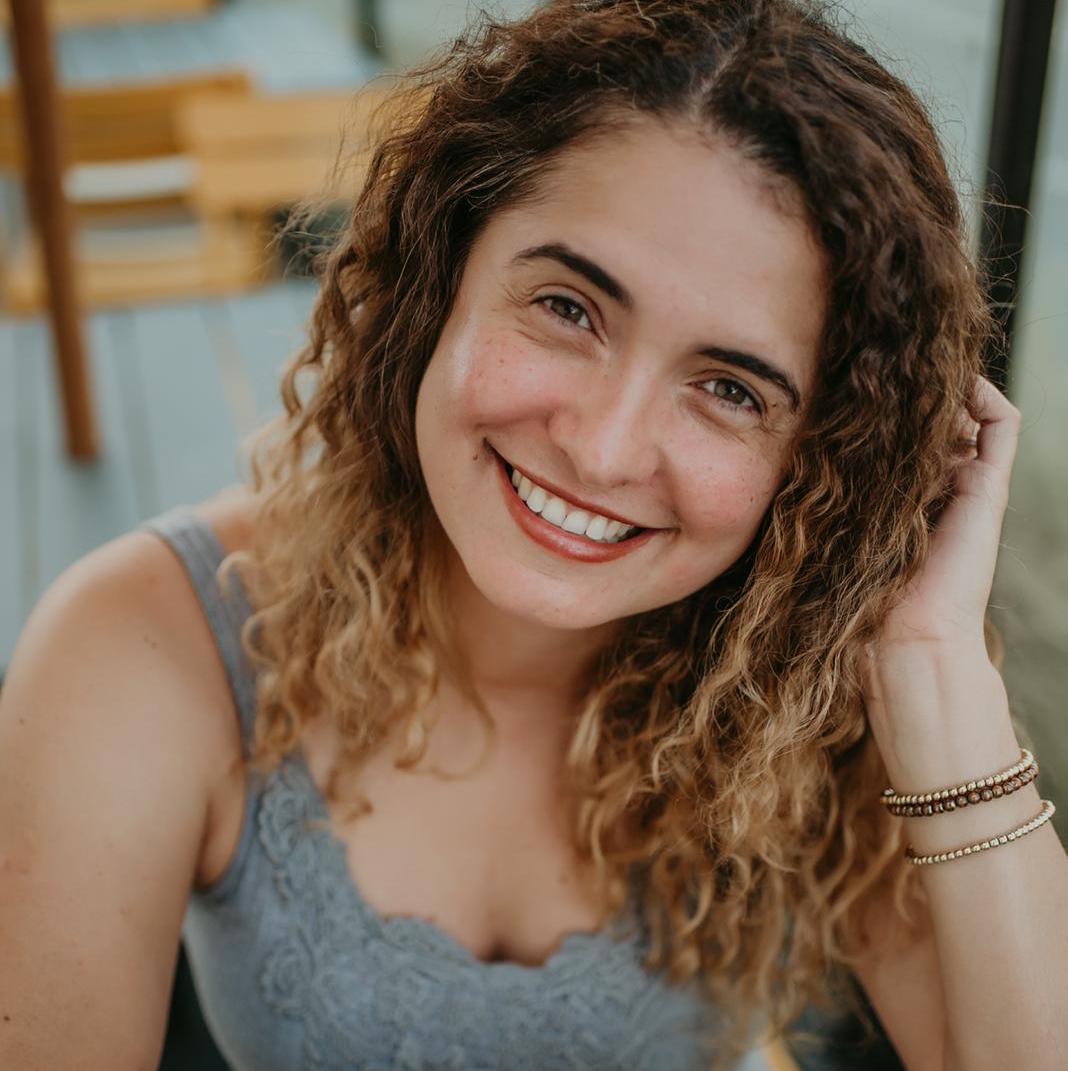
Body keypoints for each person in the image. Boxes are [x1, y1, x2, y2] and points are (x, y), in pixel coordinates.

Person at [2, 1, 1066, 1069]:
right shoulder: (146, 650)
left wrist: (937, 668)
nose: (602, 451)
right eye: (569, 308)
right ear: (441, 272)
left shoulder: (808, 693)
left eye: (732, 390)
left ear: (823, 454)